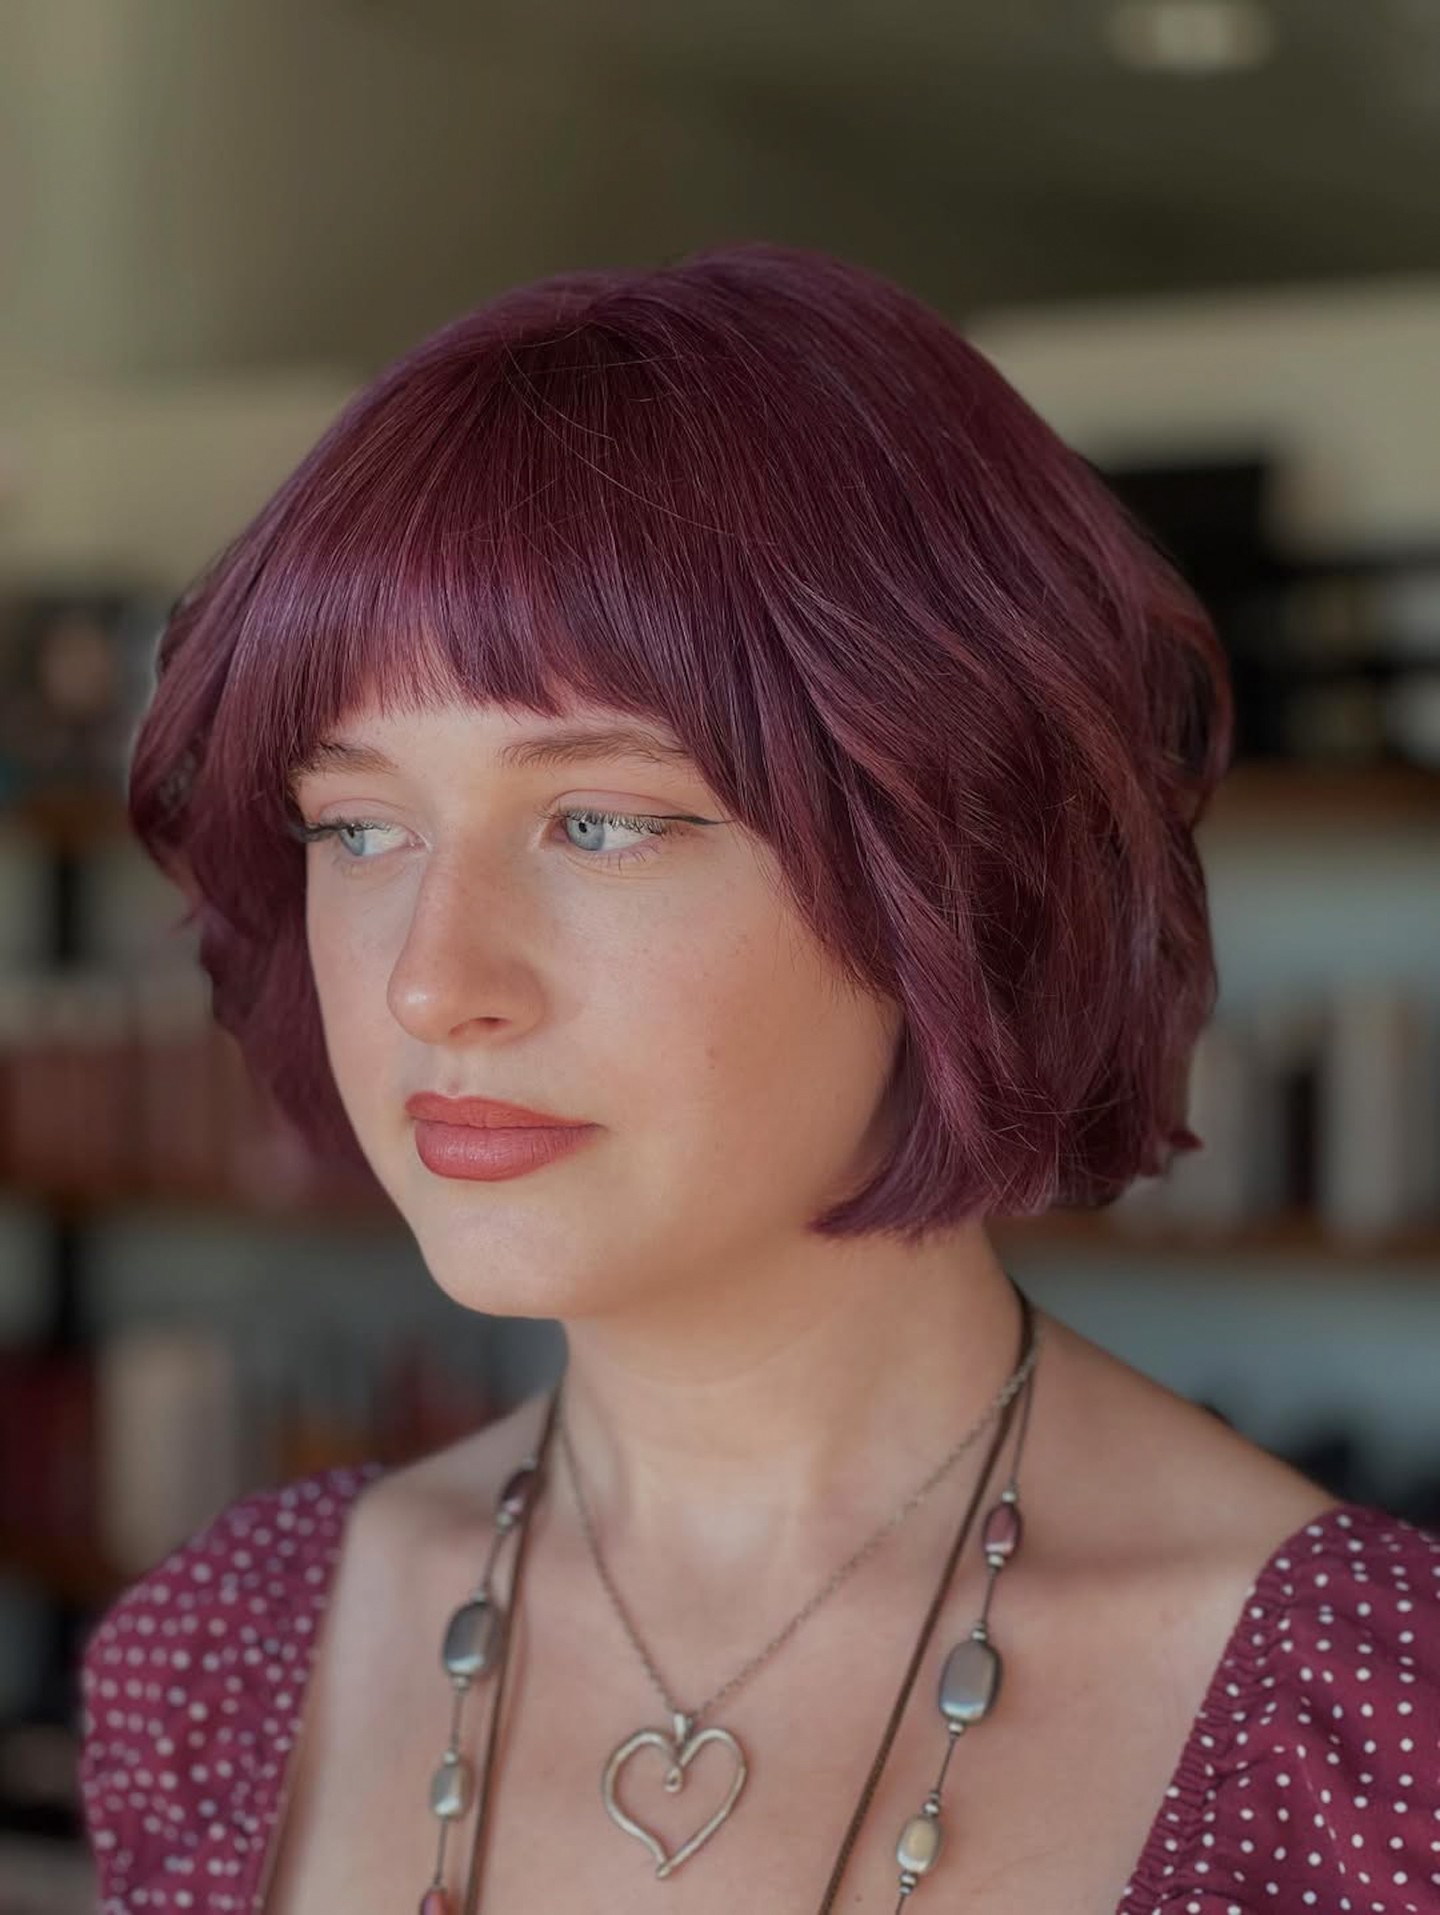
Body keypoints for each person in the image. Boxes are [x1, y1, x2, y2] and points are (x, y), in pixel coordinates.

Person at [76, 242, 1439, 1915]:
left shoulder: (1369, 1736)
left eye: (602, 821)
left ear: (959, 858)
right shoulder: (219, 1663)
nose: (433, 977)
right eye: (359, 827)